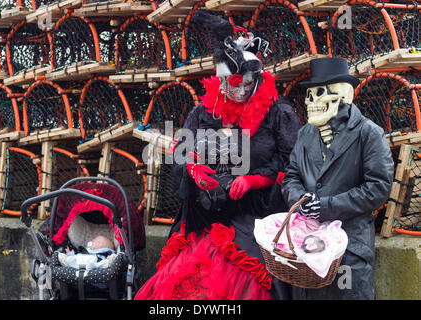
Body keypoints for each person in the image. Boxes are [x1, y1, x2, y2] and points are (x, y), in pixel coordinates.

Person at [134, 11, 300, 300]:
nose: (235, 91)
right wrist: (193, 170)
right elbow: (181, 152)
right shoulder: (203, 112)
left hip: (255, 219)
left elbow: (293, 165)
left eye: (243, 84)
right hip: (205, 219)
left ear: (255, 79)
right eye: (228, 84)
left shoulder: (278, 114)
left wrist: (256, 181)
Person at [281, 57, 394, 299]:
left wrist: (327, 206)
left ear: (343, 96)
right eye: (309, 95)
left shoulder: (368, 133)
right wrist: (300, 200)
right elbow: (291, 176)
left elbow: (378, 188)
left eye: (319, 94)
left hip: (349, 247)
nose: (311, 102)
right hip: (307, 247)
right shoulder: (304, 134)